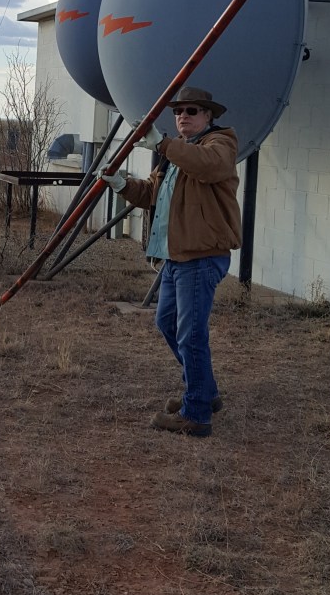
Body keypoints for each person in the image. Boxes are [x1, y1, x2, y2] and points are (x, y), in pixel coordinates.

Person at [101, 86, 241, 438]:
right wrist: (120, 184)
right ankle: (205, 391)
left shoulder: (220, 144)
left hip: (200, 255)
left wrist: (163, 144)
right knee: (167, 322)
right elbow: (150, 193)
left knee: (190, 335)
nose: (183, 116)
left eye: (191, 111)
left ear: (208, 115)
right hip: (175, 256)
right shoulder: (175, 153)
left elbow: (209, 167)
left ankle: (196, 414)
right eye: (178, 111)